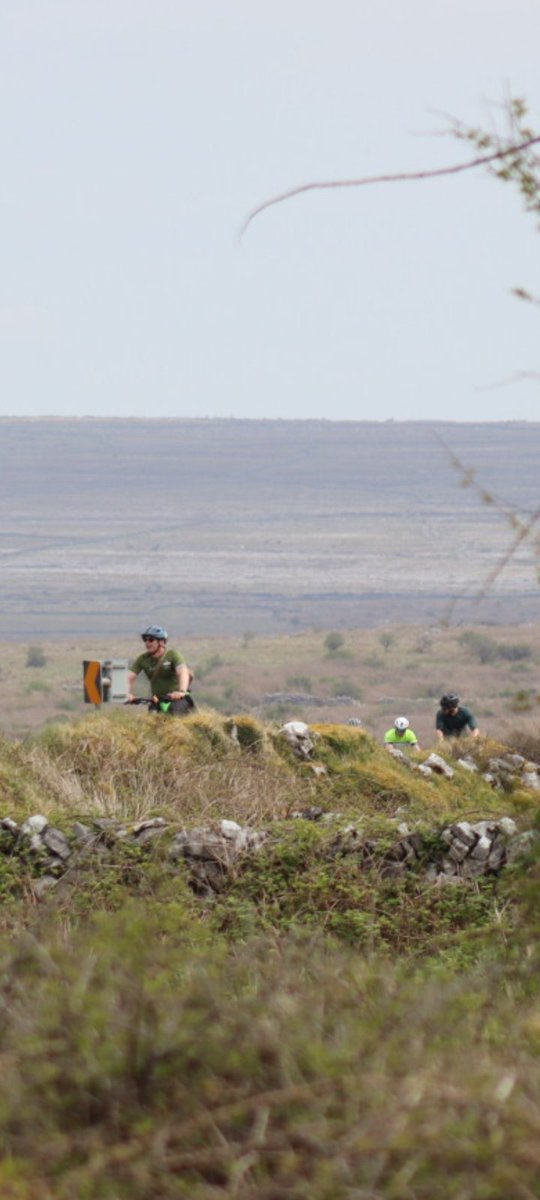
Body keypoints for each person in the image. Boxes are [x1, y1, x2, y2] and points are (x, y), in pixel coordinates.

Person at [127, 625, 194, 715]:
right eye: (145, 640)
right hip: (157, 700)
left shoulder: (172, 654)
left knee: (175, 718)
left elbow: (183, 671)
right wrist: (126, 693)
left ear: (161, 642)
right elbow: (129, 677)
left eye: (151, 640)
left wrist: (181, 692)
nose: (147, 643)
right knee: (151, 723)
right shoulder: (143, 659)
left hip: (177, 699)